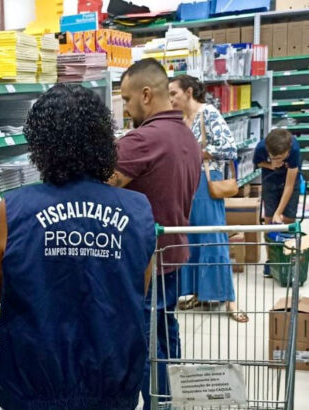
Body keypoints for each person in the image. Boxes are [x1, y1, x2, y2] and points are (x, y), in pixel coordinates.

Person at [0, 84, 156, 409]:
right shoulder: (137, 210)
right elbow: (138, 288)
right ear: (104, 140)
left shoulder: (14, 209)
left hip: (33, 380)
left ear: (40, 144)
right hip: (111, 376)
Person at [108, 59, 201, 409]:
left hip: (145, 263)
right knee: (165, 332)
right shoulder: (186, 135)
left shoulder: (142, 140)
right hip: (173, 254)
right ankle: (170, 400)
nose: (125, 109)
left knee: (145, 343)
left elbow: (97, 188)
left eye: (127, 100)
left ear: (146, 95)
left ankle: (159, 404)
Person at [168, 75, 248, 323]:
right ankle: (200, 293)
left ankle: (230, 299)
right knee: (191, 239)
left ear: (189, 92)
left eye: (174, 93)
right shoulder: (180, 120)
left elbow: (230, 148)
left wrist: (199, 152)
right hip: (185, 184)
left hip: (206, 182)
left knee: (213, 237)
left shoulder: (209, 114)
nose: (170, 99)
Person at [253, 129, 301, 277]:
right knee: (269, 222)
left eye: (281, 158)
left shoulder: (294, 149)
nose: (278, 162)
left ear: (288, 151)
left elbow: (289, 186)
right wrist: (271, 165)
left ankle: (287, 257)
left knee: (288, 220)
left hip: (290, 179)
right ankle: (271, 261)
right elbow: (257, 162)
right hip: (270, 179)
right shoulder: (261, 147)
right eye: (273, 157)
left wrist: (278, 212)